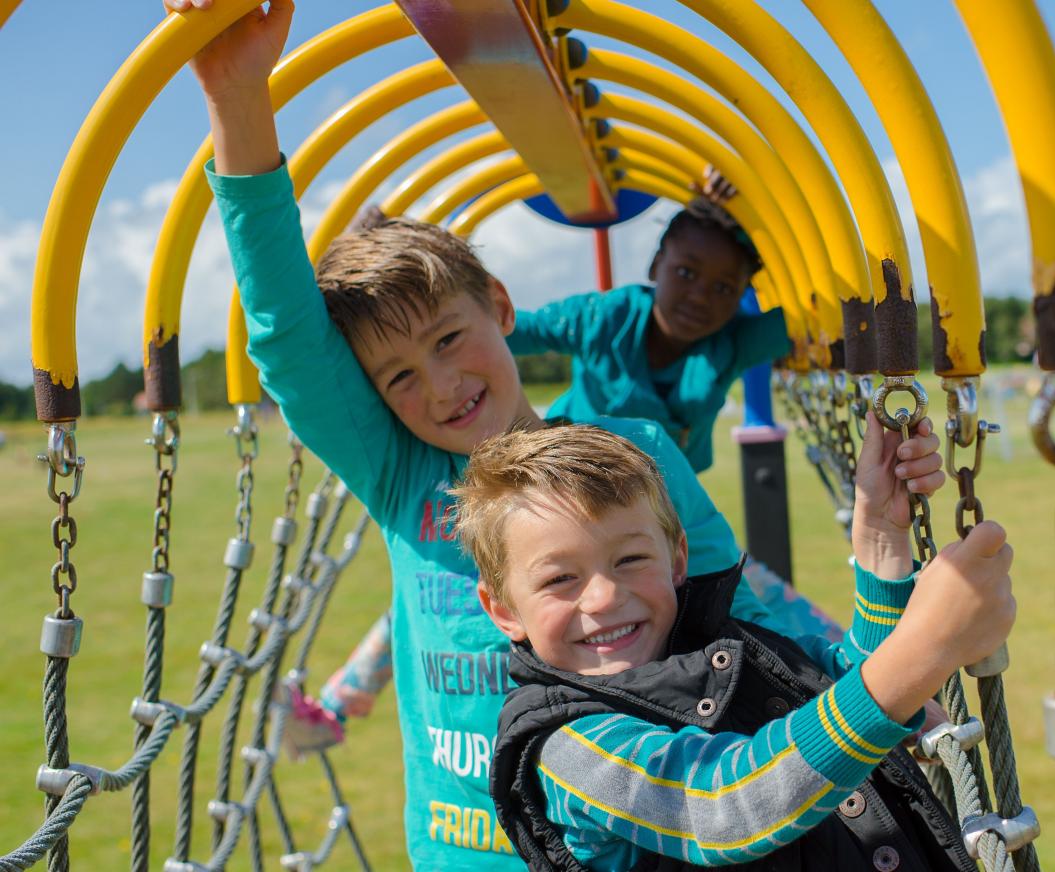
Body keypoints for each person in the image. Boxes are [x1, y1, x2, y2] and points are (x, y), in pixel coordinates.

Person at [169, 0, 857, 865]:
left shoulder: (636, 452)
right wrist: (238, 102)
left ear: (500, 308)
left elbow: (743, 611)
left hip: (628, 837)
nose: (443, 387)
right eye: (399, 377)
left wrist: (873, 679)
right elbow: (285, 338)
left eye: (450, 339)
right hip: (465, 851)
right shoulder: (397, 470)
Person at [452, 420, 1014, 870]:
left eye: (630, 560)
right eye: (559, 579)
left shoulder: (729, 649)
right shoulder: (569, 745)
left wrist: (881, 542)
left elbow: (849, 685)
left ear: (677, 560)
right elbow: (722, 806)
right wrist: (924, 652)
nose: (602, 597)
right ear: (503, 609)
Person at [509, 192, 783, 475]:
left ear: (742, 294)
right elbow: (512, 329)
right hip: (575, 474)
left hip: (664, 492)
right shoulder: (603, 318)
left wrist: (754, 206)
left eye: (724, 288)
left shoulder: (733, 341)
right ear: (655, 265)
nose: (700, 297)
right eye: (686, 273)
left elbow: (813, 317)